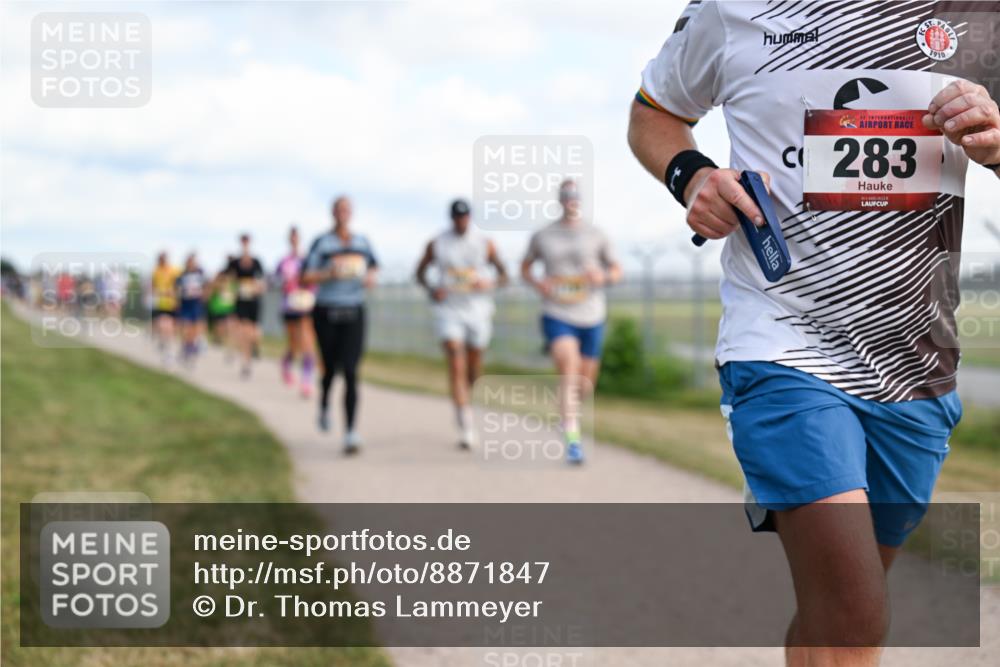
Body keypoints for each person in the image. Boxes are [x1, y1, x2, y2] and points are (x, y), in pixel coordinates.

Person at [628, 2, 1000, 663]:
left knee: (837, 610)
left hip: (915, 364)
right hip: (781, 342)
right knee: (855, 612)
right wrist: (693, 178)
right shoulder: (732, 10)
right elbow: (653, 111)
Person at [521, 180, 622, 465]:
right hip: (557, 312)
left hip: (591, 313)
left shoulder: (596, 234)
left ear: (580, 199)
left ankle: (567, 418)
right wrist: (538, 282)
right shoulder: (543, 235)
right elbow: (525, 267)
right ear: (559, 199)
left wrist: (603, 277)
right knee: (569, 368)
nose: (570, 200)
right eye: (565, 196)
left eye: (575, 195)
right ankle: (573, 440)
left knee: (584, 385)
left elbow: (616, 270)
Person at [415, 199, 508, 450]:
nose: (461, 221)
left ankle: (464, 398)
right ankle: (465, 422)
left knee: (474, 369)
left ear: (470, 217)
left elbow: (504, 275)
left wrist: (488, 283)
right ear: (451, 218)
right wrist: (433, 289)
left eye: (465, 217)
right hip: (449, 310)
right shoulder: (437, 244)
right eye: (457, 217)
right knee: (456, 359)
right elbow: (420, 273)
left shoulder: (484, 243)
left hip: (478, 310)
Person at [302, 196, 378, 455]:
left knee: (351, 371)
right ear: (333, 213)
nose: (343, 213)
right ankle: (323, 403)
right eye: (339, 209)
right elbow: (305, 276)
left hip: (354, 310)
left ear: (351, 213)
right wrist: (328, 273)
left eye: (347, 209)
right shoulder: (321, 243)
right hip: (326, 311)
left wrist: (370, 277)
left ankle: (351, 432)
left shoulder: (362, 242)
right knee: (330, 369)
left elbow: (374, 268)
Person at [275, 226, 317, 398]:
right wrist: (284, 283)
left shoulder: (308, 259)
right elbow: (274, 279)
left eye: (296, 237)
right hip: (289, 305)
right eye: (291, 237)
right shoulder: (283, 261)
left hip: (306, 304)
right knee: (294, 345)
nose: (294, 240)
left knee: (308, 342)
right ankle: (287, 362)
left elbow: (315, 279)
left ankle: (306, 381)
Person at [226, 235, 265, 379]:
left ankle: (254, 348)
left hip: (253, 301)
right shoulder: (235, 263)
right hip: (241, 301)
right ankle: (246, 362)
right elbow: (226, 279)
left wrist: (257, 288)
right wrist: (231, 290)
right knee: (244, 331)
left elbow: (262, 282)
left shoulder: (256, 262)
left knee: (254, 332)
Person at [175, 253, 208, 367]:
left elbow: (205, 288)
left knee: (195, 328)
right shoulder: (182, 276)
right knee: (186, 327)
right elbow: (178, 290)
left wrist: (204, 296)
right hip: (186, 305)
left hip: (196, 305)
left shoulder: (200, 274)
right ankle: (186, 346)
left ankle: (191, 346)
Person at [150, 252, 180, 365]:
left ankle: (169, 348)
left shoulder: (174, 270)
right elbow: (153, 285)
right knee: (162, 325)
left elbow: (179, 285)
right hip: (161, 303)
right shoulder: (156, 271)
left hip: (172, 303)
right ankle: (165, 345)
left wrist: (174, 294)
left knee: (169, 328)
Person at [206, 257, 237, 353]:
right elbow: (211, 287)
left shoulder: (236, 277)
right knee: (219, 327)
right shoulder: (220, 275)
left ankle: (228, 346)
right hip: (217, 307)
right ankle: (217, 339)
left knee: (229, 326)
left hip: (228, 308)